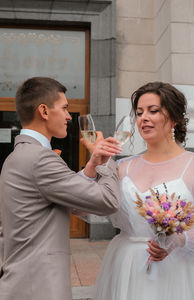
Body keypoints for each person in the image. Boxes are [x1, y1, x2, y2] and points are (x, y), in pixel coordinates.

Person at [0, 77, 122, 300]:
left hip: (23, 281)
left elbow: (68, 198)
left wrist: (92, 165)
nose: (68, 116)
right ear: (44, 111)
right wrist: (106, 162)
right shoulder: (40, 159)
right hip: (39, 286)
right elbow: (108, 201)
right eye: (65, 108)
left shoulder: (18, 156)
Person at [90, 81, 194, 300]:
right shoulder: (122, 167)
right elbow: (85, 208)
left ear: (174, 119)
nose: (143, 118)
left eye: (153, 111)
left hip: (176, 269)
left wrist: (177, 240)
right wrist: (93, 165)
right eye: (139, 112)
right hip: (126, 265)